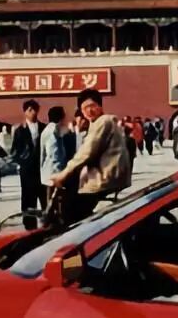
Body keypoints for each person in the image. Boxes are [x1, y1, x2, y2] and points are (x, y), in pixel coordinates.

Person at [51, 89, 132, 223]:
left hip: (105, 178)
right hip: (109, 176)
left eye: (92, 106)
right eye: (84, 108)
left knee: (70, 211)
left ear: (100, 106)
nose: (89, 111)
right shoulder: (100, 123)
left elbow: (87, 151)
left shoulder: (103, 121)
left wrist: (64, 173)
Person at [11, 99, 46, 228]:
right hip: (27, 171)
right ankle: (30, 227)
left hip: (42, 169)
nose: (33, 112)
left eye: (35, 109)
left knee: (45, 198)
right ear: (25, 112)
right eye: (29, 110)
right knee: (28, 199)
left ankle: (48, 225)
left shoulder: (44, 128)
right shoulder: (20, 130)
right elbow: (14, 151)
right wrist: (23, 162)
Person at [40, 106, 69, 204]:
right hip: (54, 172)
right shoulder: (53, 130)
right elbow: (54, 154)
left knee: (52, 202)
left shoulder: (49, 129)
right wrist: (60, 173)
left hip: (50, 172)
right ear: (61, 117)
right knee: (53, 202)